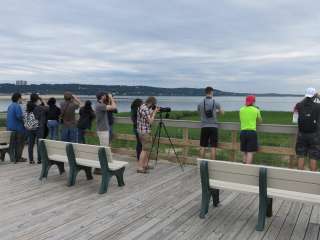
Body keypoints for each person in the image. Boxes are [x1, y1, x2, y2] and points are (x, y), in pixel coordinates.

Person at [295, 87, 320, 171]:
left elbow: (294, 120)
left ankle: (300, 177)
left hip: (301, 133)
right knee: (313, 155)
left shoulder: (298, 105)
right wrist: (318, 96)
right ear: (314, 95)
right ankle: (312, 178)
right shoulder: (318, 106)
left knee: (301, 155)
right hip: (314, 134)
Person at [197, 86, 224, 160]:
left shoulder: (200, 103)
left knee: (202, 146)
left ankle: (201, 163)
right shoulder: (216, 102)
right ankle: (213, 164)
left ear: (205, 92)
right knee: (213, 147)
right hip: (213, 127)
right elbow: (222, 112)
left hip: (204, 126)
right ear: (212, 92)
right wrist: (216, 112)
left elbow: (199, 112)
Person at [136, 96, 159, 173]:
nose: (153, 106)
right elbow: (150, 121)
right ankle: (140, 167)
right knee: (144, 150)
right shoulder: (145, 109)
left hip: (141, 131)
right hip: (145, 132)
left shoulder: (142, 106)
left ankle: (145, 164)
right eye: (153, 104)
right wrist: (155, 113)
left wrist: (153, 111)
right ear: (151, 103)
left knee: (146, 149)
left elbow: (147, 116)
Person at [239, 95, 262, 164]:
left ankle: (243, 166)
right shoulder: (256, 110)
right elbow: (260, 121)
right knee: (250, 152)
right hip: (252, 132)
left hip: (243, 132)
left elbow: (241, 120)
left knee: (244, 151)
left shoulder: (241, 109)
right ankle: (248, 169)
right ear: (253, 102)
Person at [7, 93, 26, 163]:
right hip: (18, 128)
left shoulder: (10, 106)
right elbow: (19, 116)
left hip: (10, 128)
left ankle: (13, 158)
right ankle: (19, 158)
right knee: (20, 144)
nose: (21, 99)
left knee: (12, 144)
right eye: (21, 98)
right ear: (19, 98)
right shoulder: (17, 106)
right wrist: (25, 119)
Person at [29, 93, 49, 164]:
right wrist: (43, 100)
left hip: (31, 127)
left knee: (30, 144)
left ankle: (31, 159)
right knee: (39, 144)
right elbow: (48, 108)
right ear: (37, 99)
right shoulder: (40, 108)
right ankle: (39, 159)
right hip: (39, 128)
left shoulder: (28, 107)